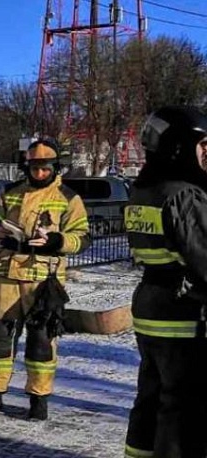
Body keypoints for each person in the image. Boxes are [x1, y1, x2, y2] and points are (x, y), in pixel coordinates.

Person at [0, 138, 91, 420]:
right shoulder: (10, 193)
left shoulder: (68, 197)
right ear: (26, 167)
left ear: (55, 167)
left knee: (42, 341)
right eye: (34, 168)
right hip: (8, 275)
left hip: (43, 280)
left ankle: (39, 399)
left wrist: (55, 240)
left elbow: (83, 238)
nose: (39, 174)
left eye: (45, 168)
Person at [124, 106, 207, 458]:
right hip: (183, 314)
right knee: (183, 408)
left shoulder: (144, 191)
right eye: (203, 147)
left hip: (150, 309)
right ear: (180, 148)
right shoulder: (184, 195)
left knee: (151, 398)